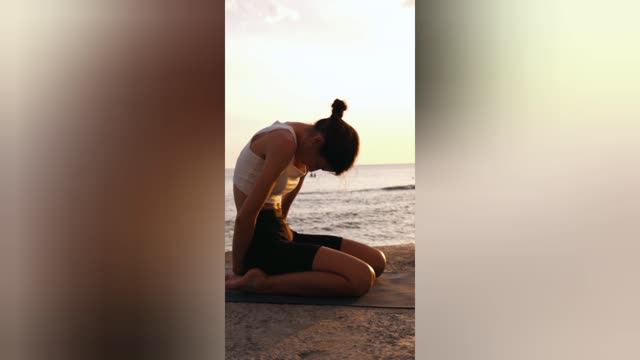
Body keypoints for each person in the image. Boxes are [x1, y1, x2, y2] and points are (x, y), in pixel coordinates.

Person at [225, 99, 386, 297]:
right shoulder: (283, 141)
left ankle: (276, 274)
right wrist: (238, 270)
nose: (316, 169)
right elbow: (245, 217)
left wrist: (297, 249)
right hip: (262, 244)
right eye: (321, 165)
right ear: (317, 142)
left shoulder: (303, 148)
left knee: (377, 261)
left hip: (282, 235)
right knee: (361, 278)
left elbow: (282, 213)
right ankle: (262, 283)